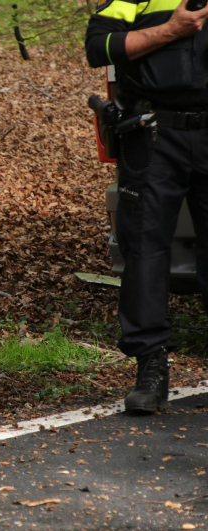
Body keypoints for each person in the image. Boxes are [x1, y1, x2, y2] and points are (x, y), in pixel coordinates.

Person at [85, 0, 208, 413]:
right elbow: (98, 49)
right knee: (144, 251)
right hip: (154, 135)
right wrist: (172, 29)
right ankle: (151, 369)